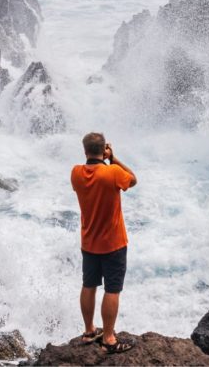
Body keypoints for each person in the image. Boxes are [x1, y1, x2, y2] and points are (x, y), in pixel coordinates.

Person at [70, 132, 137, 353]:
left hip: (89, 242)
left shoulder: (76, 173)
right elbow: (133, 179)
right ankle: (109, 338)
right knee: (112, 290)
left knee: (89, 285)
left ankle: (89, 331)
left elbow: (90, 175)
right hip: (113, 244)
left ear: (85, 150)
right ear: (104, 150)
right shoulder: (113, 173)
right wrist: (113, 158)